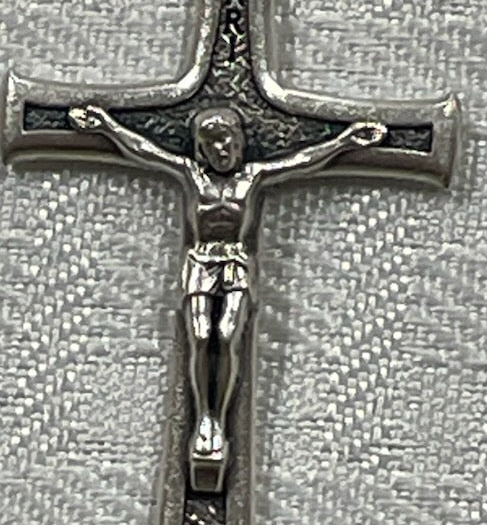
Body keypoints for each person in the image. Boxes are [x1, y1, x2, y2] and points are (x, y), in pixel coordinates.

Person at [69, 103, 386, 492]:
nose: (222, 150)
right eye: (212, 143)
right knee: (201, 337)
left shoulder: (252, 177)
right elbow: (145, 150)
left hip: (235, 262)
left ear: (240, 141)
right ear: (201, 148)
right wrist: (107, 127)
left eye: (228, 141)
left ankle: (218, 418)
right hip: (201, 261)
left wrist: (344, 142)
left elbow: (302, 160)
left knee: (229, 336)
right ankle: (204, 417)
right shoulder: (192, 175)